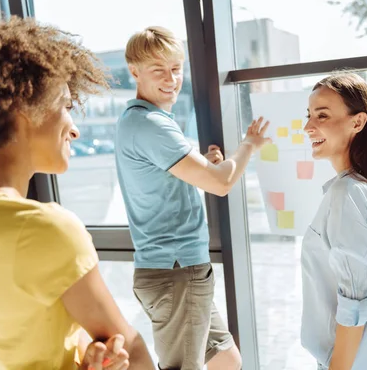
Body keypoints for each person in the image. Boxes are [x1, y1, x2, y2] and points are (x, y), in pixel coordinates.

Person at [0, 12, 155, 370]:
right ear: (24, 109)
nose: (73, 129)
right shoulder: (43, 230)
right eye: (66, 106)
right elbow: (134, 355)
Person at [115, 26, 270, 370]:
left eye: (176, 68)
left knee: (226, 361)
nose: (171, 79)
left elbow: (182, 180)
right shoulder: (152, 125)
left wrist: (206, 166)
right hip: (176, 273)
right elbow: (221, 184)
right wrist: (249, 145)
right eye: (158, 70)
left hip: (179, 271)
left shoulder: (142, 121)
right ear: (134, 71)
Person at [301, 73, 367, 370]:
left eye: (322, 115)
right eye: (309, 115)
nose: (308, 126)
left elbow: (354, 303)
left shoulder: (347, 193)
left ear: (357, 122)